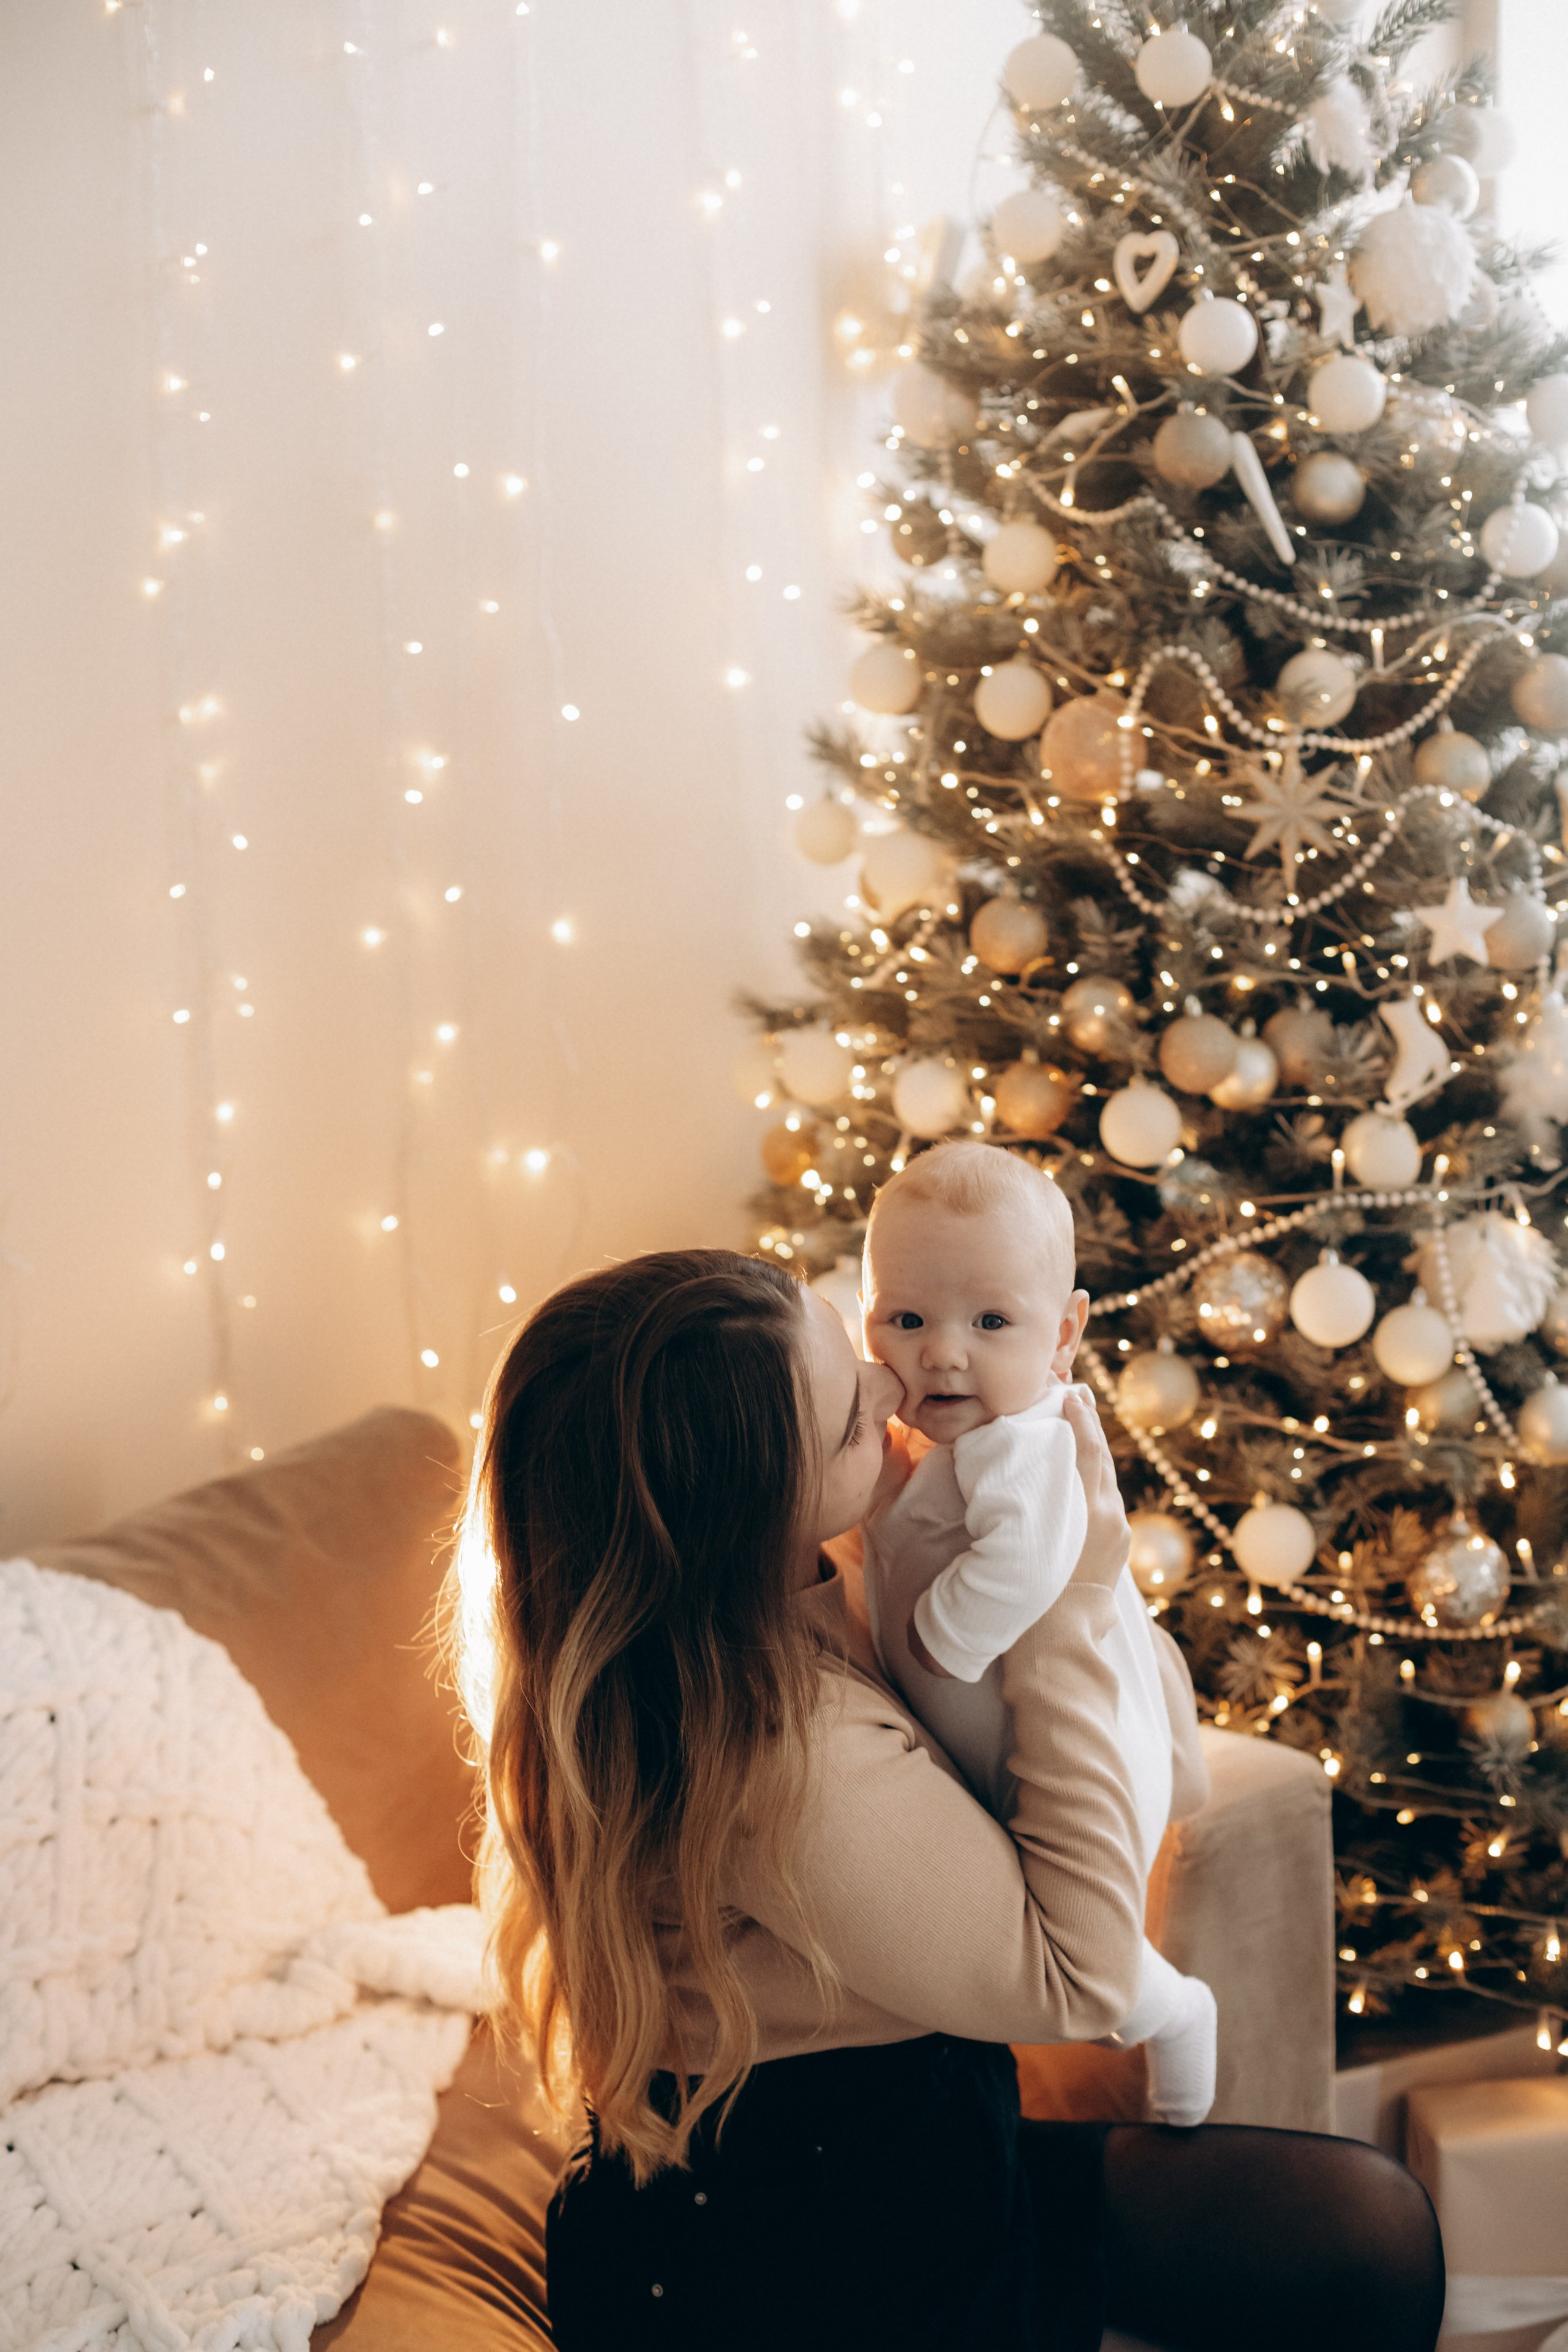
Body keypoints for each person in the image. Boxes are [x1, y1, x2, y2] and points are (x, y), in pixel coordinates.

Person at [456, 1246, 1443, 2352]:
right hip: (809, 2257)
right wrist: (1068, 1591)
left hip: (925, 2140)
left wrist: (1084, 1573)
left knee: (1362, 2232)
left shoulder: (751, 1608)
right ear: (744, 1513)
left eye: (853, 1347)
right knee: (1353, 2240)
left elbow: (1157, 1750)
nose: (891, 1386)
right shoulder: (783, 1757)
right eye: (845, 1420)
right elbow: (1084, 1976)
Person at [860, 1142, 1218, 2127]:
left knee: (1092, 1964)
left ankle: (1182, 2017)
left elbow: (1026, 1564)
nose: (942, 1351)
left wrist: (942, 1638)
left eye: (989, 1321)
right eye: (907, 1318)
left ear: (1062, 1335)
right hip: (1018, 1730)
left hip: (1059, 1753)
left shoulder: (1025, 1442)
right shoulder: (943, 1436)